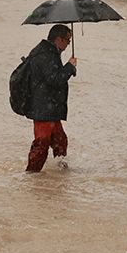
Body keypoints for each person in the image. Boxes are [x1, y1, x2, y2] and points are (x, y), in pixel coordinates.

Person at [23, 24, 77, 172]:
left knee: (60, 141)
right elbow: (54, 79)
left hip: (49, 106)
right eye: (67, 40)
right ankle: (31, 175)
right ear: (58, 39)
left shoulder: (50, 51)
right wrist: (69, 67)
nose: (68, 44)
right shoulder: (46, 55)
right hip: (43, 107)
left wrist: (68, 68)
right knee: (42, 143)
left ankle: (60, 172)